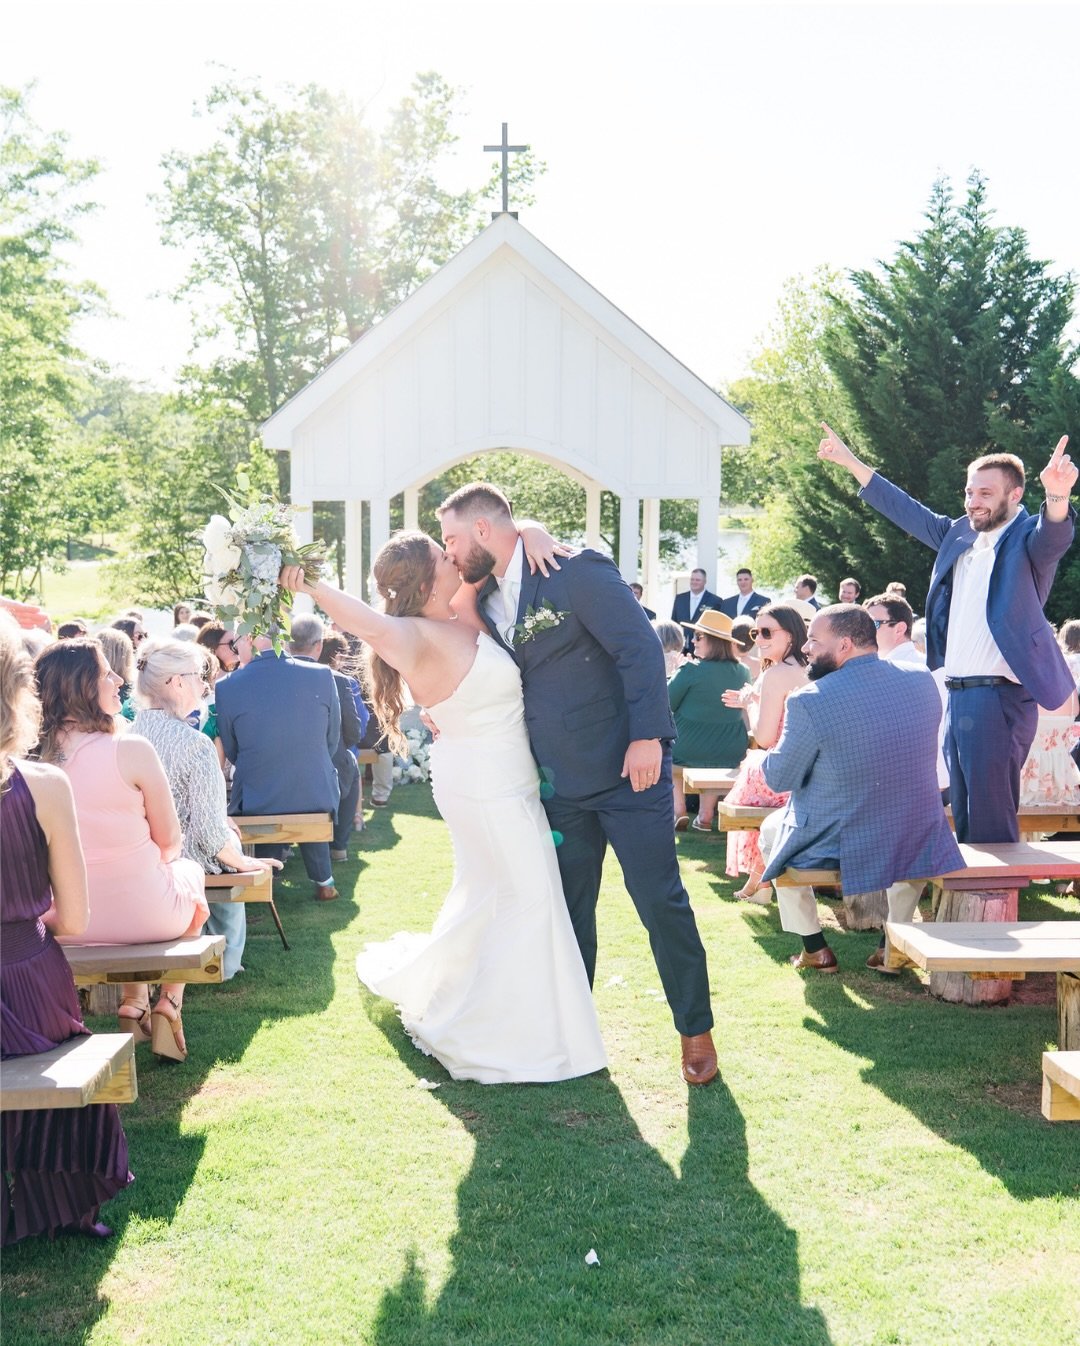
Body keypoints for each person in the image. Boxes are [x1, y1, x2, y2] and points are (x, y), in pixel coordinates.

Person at [278, 529, 608, 1085]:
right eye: (441, 554)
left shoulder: (464, 611)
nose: (452, 555)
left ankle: (510, 1011)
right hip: (481, 780)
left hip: (506, 774)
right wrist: (310, 584)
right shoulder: (410, 634)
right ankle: (504, 1032)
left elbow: (493, 530)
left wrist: (529, 531)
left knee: (494, 892)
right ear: (427, 579)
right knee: (529, 895)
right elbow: (365, 621)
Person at [437, 483, 719, 1086]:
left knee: (660, 902)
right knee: (568, 910)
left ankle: (695, 1028)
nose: (449, 551)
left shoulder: (575, 570)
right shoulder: (482, 594)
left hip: (627, 770)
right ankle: (575, 1029)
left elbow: (639, 647)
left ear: (484, 531)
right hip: (555, 782)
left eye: (453, 539)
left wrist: (649, 736)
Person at [819, 423, 1077, 841]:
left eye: (985, 494)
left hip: (999, 697)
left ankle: (995, 904)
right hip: (956, 695)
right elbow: (905, 509)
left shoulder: (1028, 539)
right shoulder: (957, 534)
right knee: (966, 815)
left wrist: (1058, 495)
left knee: (991, 822)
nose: (973, 502)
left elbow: (1055, 536)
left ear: (1015, 496)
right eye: (969, 492)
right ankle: (969, 903)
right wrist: (850, 462)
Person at [0, 628, 133, 1243]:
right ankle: (57, 1202)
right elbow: (75, 921)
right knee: (53, 1054)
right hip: (27, 971)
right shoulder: (45, 785)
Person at [757, 606, 964, 972]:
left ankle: (814, 947)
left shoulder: (809, 699)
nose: (806, 648)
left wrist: (767, 754)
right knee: (911, 833)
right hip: (915, 830)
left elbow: (779, 778)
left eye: (814, 641)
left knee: (772, 830)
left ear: (845, 645)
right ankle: (893, 940)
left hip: (841, 839)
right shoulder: (922, 680)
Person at [34, 639, 208, 1062]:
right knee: (191, 874)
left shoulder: (32, 762)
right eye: (106, 674)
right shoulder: (131, 749)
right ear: (82, 687)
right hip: (149, 915)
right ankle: (169, 999)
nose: (118, 680)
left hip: (67, 921)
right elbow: (170, 841)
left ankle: (134, 1002)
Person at [131, 639, 280, 980]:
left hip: (140, 857)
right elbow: (211, 837)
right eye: (198, 675)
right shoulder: (195, 744)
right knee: (230, 844)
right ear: (177, 682)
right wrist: (247, 863)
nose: (205, 684)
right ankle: (225, 965)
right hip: (183, 860)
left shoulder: (126, 734)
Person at [215, 633, 342, 902]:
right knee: (303, 779)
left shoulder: (227, 685)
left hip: (258, 797)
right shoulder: (321, 674)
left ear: (249, 637)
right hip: (316, 793)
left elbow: (232, 748)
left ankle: (266, 873)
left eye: (236, 640)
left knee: (264, 783)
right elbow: (331, 739)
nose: (235, 648)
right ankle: (323, 879)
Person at [721, 604, 809, 901]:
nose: (759, 639)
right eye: (756, 632)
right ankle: (758, 884)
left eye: (767, 632)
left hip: (783, 771)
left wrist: (750, 704)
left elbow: (764, 737)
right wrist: (752, 698)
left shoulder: (777, 674)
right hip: (810, 770)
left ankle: (759, 883)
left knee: (752, 772)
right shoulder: (810, 667)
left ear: (791, 636)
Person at [289, 614, 365, 862]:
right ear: (319, 645)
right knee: (350, 767)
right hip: (330, 760)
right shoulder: (341, 681)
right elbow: (354, 732)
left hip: (291, 761)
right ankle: (339, 845)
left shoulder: (283, 676)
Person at [668, 610, 750, 831]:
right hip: (729, 750)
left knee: (669, 756)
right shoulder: (743, 671)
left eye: (698, 636)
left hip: (686, 748)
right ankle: (705, 814)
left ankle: (679, 810)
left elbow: (667, 703)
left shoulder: (690, 670)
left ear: (713, 641)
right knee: (714, 759)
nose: (692, 640)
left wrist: (676, 672)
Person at [865, 592, 949, 796]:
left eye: (872, 625)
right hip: (927, 779)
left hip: (914, 785)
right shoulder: (922, 665)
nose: (864, 631)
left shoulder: (915, 669)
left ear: (900, 628)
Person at [671, 568, 721, 654]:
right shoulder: (680, 598)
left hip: (703, 650)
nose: (694, 582)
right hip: (680, 650)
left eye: (697, 580)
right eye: (692, 579)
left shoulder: (715, 601)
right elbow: (674, 623)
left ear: (705, 581)